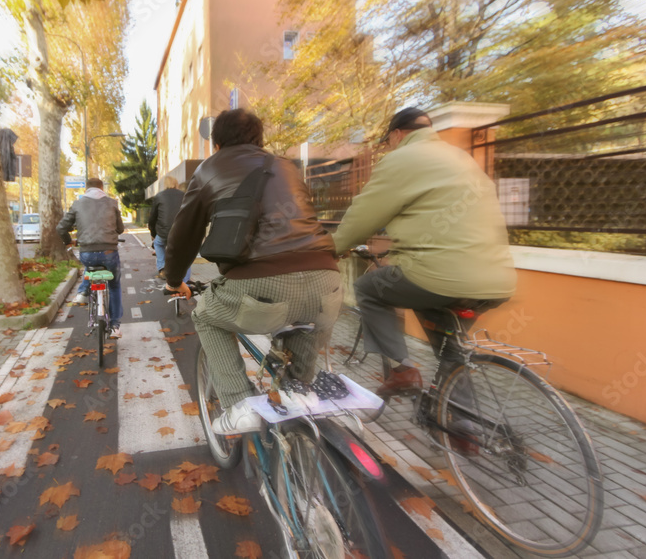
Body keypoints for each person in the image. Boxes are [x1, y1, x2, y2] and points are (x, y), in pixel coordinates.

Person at [165, 109, 342, 435]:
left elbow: (183, 235)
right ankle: (299, 391)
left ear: (216, 144)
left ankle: (238, 403)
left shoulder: (209, 169)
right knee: (300, 362)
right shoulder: (287, 167)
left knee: (205, 315)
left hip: (259, 283)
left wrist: (175, 280)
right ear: (260, 141)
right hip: (327, 281)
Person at [332, 107, 517, 398]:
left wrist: (332, 249)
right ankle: (462, 426)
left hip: (438, 276)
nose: (388, 147)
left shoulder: (401, 159)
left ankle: (402, 370)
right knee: (450, 350)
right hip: (497, 279)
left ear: (397, 134)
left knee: (369, 287)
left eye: (388, 141)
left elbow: (363, 215)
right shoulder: (461, 157)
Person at [57, 177, 125, 338]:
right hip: (109, 253)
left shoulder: (77, 204)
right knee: (114, 286)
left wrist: (68, 241)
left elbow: (61, 228)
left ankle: (83, 291)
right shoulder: (112, 203)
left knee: (91, 264)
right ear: (102, 187)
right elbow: (120, 229)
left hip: (87, 253)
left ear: (86, 189)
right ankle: (115, 326)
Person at [148, 175, 191, 284]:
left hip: (164, 233)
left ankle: (162, 267)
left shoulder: (159, 196)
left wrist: (153, 234)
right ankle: (185, 283)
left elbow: (152, 218)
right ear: (176, 183)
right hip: (181, 232)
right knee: (185, 256)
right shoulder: (185, 195)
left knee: (158, 243)